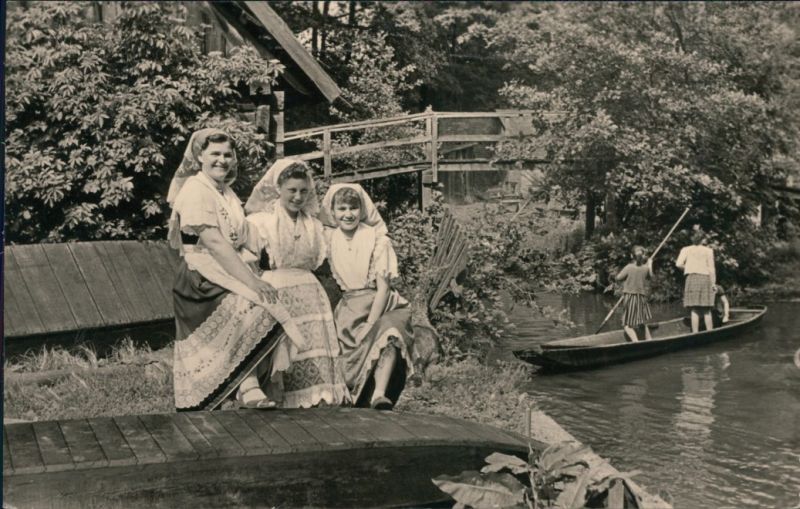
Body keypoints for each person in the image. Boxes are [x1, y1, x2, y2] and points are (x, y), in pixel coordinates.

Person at [168, 128, 282, 410]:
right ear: (199, 156)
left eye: (227, 154)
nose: (222, 160)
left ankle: (248, 385)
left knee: (276, 300)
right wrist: (252, 282)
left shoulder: (226, 192)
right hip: (201, 277)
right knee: (251, 302)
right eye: (215, 154)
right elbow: (215, 244)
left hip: (225, 268)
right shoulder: (195, 190)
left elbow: (239, 236)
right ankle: (247, 386)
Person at [244, 159, 350, 408]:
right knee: (284, 347)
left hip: (310, 293)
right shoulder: (261, 221)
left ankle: (316, 401)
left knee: (311, 348)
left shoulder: (314, 225)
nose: (298, 197)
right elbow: (247, 261)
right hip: (276, 287)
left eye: (303, 191)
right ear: (279, 188)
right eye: (292, 190)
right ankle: (277, 400)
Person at [319, 184, 414, 410]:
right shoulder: (328, 238)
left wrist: (370, 323)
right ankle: (346, 395)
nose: (348, 214)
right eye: (342, 209)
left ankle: (379, 393)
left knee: (389, 331)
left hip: (380, 303)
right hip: (349, 305)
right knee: (336, 343)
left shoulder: (377, 239)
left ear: (362, 210)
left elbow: (383, 288)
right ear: (332, 212)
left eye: (353, 208)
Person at [676, 227, 716, 333]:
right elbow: (711, 268)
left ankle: (695, 333)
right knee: (706, 308)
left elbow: (678, 264)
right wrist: (713, 283)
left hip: (691, 277)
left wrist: (689, 268)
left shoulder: (685, 249)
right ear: (702, 239)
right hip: (705, 278)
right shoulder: (708, 251)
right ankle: (710, 332)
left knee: (694, 308)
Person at [615, 245, 653, 342]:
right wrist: (650, 265)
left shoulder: (629, 267)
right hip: (641, 297)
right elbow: (651, 277)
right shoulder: (646, 268)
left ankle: (635, 342)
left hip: (630, 297)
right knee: (641, 322)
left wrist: (626, 280)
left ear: (632, 256)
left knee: (626, 325)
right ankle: (649, 340)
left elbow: (618, 278)